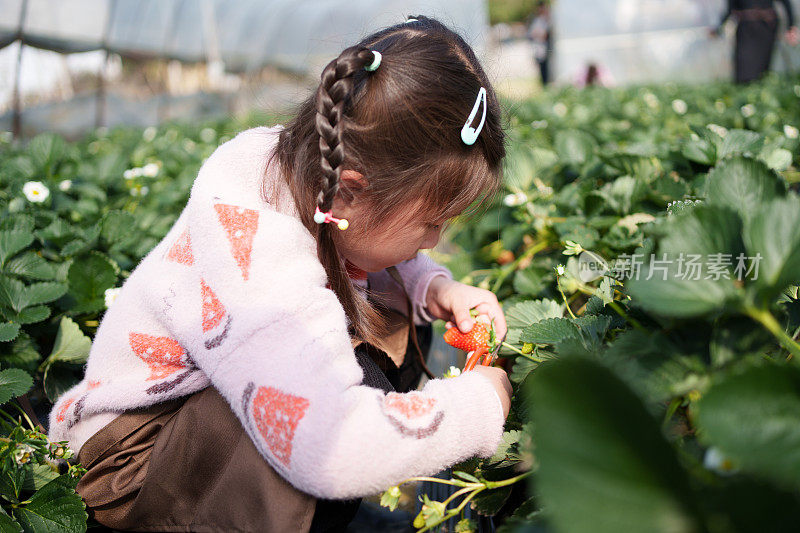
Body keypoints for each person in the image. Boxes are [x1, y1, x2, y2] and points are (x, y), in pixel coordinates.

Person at [47, 14, 513, 532]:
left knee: (391, 323)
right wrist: (477, 407)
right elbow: (330, 448)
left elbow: (359, 246)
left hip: (193, 412)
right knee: (360, 385)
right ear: (348, 193)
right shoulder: (261, 263)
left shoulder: (306, 167)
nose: (435, 240)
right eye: (431, 222)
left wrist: (436, 287)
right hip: (133, 461)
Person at [710, 0, 799, 83]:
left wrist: (791, 27)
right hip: (745, 29)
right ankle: (746, 93)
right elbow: (730, 8)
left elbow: (786, 3)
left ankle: (760, 92)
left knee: (762, 67)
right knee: (743, 68)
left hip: (766, 27)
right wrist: (718, 28)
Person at [527, 2, 552, 85]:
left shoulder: (545, 21)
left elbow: (543, 35)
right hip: (540, 48)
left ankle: (545, 83)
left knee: (545, 68)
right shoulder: (538, 20)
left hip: (544, 48)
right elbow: (532, 34)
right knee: (542, 68)